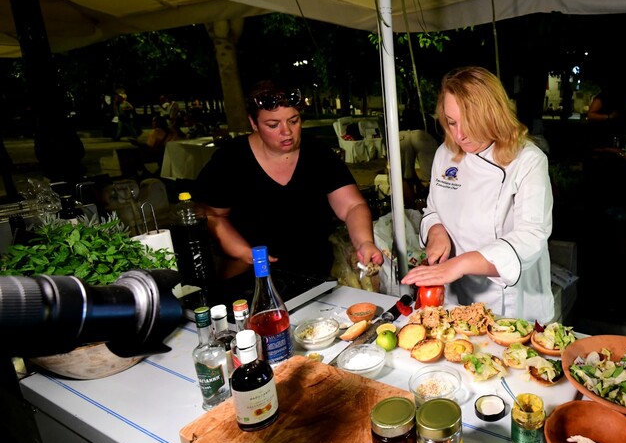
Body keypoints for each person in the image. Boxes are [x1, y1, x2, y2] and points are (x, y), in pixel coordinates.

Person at [401, 66, 554, 322]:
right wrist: (435, 231)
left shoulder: (528, 160)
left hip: (511, 303)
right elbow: (433, 210)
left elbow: (531, 236)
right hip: (457, 291)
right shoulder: (445, 154)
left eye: (471, 123)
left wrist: (459, 264)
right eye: (452, 122)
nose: (460, 135)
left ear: (493, 115)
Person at [194, 82, 383, 280]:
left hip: (314, 273)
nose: (287, 132)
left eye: (293, 121)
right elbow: (212, 215)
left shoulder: (318, 153)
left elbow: (352, 206)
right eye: (273, 125)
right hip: (251, 277)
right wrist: (243, 252)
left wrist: (364, 242)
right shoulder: (231, 159)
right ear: (253, 123)